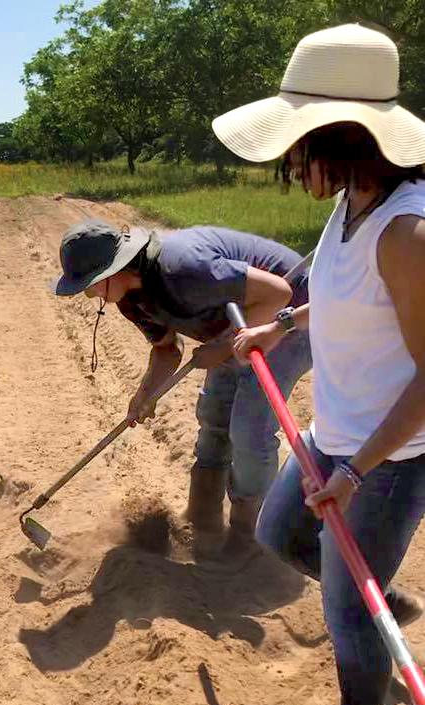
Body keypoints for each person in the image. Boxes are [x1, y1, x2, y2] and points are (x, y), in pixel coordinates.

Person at [213, 24, 425, 704]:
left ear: (340, 137)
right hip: (332, 435)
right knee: (279, 532)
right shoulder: (350, 204)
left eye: (298, 149)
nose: (291, 166)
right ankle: (377, 596)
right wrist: (281, 325)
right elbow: (345, 302)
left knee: (345, 622)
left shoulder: (405, 233)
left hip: (383, 461)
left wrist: (355, 473)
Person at [52, 220, 311, 566]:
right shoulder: (130, 299)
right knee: (214, 417)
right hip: (235, 324)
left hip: (289, 319)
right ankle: (203, 520)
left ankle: (250, 539)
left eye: (91, 284)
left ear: (117, 269)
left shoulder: (183, 270)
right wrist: (145, 394)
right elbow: (166, 350)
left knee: (249, 427)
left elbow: (279, 293)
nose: (88, 294)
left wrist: (220, 350)